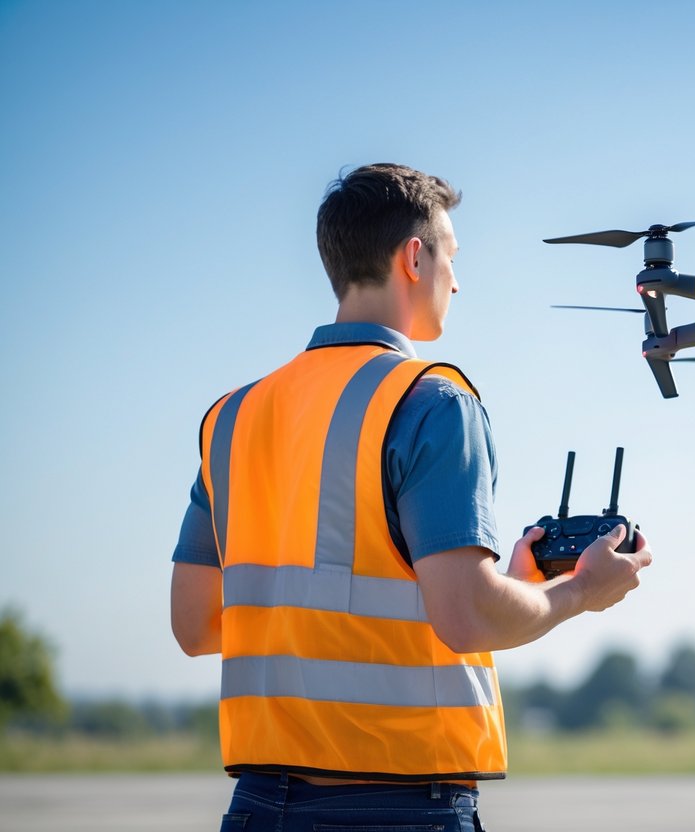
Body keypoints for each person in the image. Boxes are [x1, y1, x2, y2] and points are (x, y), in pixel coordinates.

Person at [170, 163, 653, 832]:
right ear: (414, 256)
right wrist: (578, 591)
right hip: (398, 807)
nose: (456, 279)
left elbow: (195, 626)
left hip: (259, 807)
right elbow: (466, 619)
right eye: (452, 256)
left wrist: (504, 585)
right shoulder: (433, 403)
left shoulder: (234, 415)